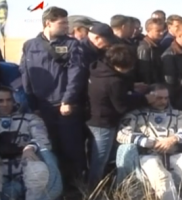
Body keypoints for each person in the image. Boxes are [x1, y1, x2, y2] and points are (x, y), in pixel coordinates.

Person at [19, 6, 86, 188]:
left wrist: (68, 99)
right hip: (42, 108)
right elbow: (25, 75)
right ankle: (53, 188)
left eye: (66, 22)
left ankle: (76, 188)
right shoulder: (30, 45)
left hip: (64, 107)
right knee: (48, 149)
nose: (66, 26)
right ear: (48, 23)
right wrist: (33, 106)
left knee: (71, 149)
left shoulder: (72, 45)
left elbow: (76, 73)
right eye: (62, 22)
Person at [116, 84, 182, 200]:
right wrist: (147, 142)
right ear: (149, 97)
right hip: (148, 155)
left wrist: (173, 139)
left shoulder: (178, 114)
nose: (163, 101)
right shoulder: (135, 115)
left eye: (166, 98)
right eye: (159, 98)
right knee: (161, 177)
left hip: (174, 153)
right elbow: (122, 134)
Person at [87, 44, 155, 190]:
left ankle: (105, 185)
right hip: (104, 122)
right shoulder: (114, 81)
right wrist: (144, 98)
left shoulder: (98, 70)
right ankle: (94, 190)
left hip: (95, 118)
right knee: (100, 160)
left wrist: (131, 89)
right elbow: (121, 106)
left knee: (102, 157)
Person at [0, 86, 60, 199]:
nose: (5, 104)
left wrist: (31, 147)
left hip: (24, 163)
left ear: (14, 100)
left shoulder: (30, 118)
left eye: (8, 100)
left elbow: (42, 139)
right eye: (1, 101)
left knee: (38, 172)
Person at [136, 18, 165, 84]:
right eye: (158, 31)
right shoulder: (144, 47)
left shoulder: (157, 45)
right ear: (148, 30)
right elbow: (144, 71)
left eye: (162, 30)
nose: (161, 33)